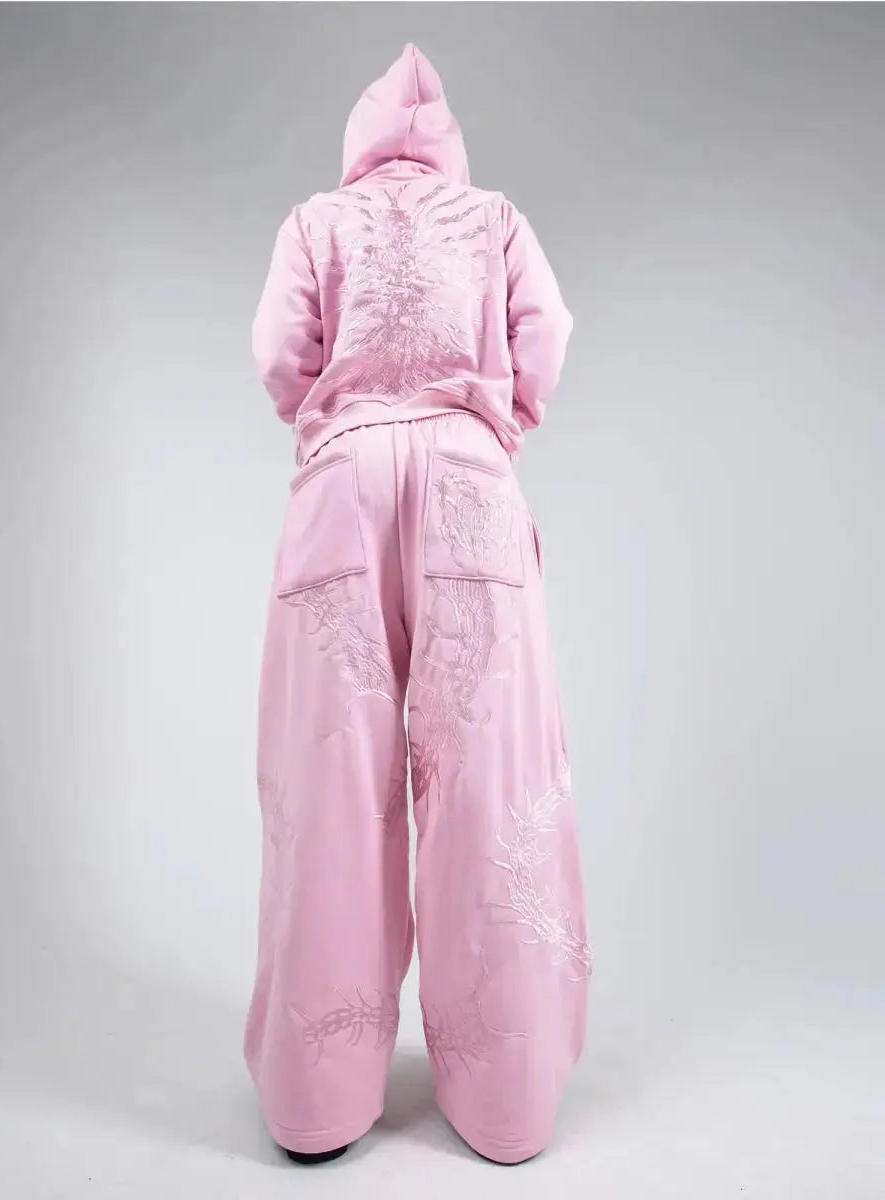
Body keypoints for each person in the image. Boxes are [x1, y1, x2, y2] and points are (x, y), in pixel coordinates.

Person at [244, 42, 591, 1166]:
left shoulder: (315, 222)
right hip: (468, 484)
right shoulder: (495, 221)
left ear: (359, 142)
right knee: (492, 778)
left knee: (329, 779)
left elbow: (279, 353)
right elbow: (546, 337)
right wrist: (491, 424)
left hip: (342, 486)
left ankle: (316, 1102)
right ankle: (508, 1103)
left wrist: (342, 421)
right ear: (447, 144)